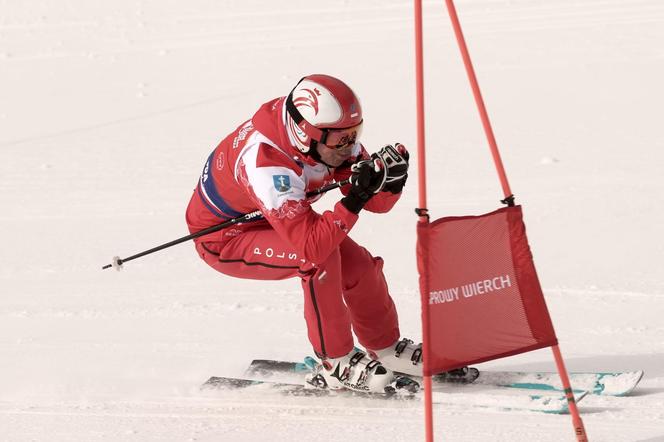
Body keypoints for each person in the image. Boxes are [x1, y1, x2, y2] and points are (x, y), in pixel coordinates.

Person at [185, 74, 423, 394]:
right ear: (304, 134)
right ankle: (334, 361)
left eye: (355, 133)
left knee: (359, 266)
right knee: (321, 258)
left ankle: (385, 348)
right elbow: (311, 247)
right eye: (341, 139)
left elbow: (376, 203)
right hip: (228, 237)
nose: (350, 145)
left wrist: (389, 183)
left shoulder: (330, 143)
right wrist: (353, 200)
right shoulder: (265, 164)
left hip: (281, 218)